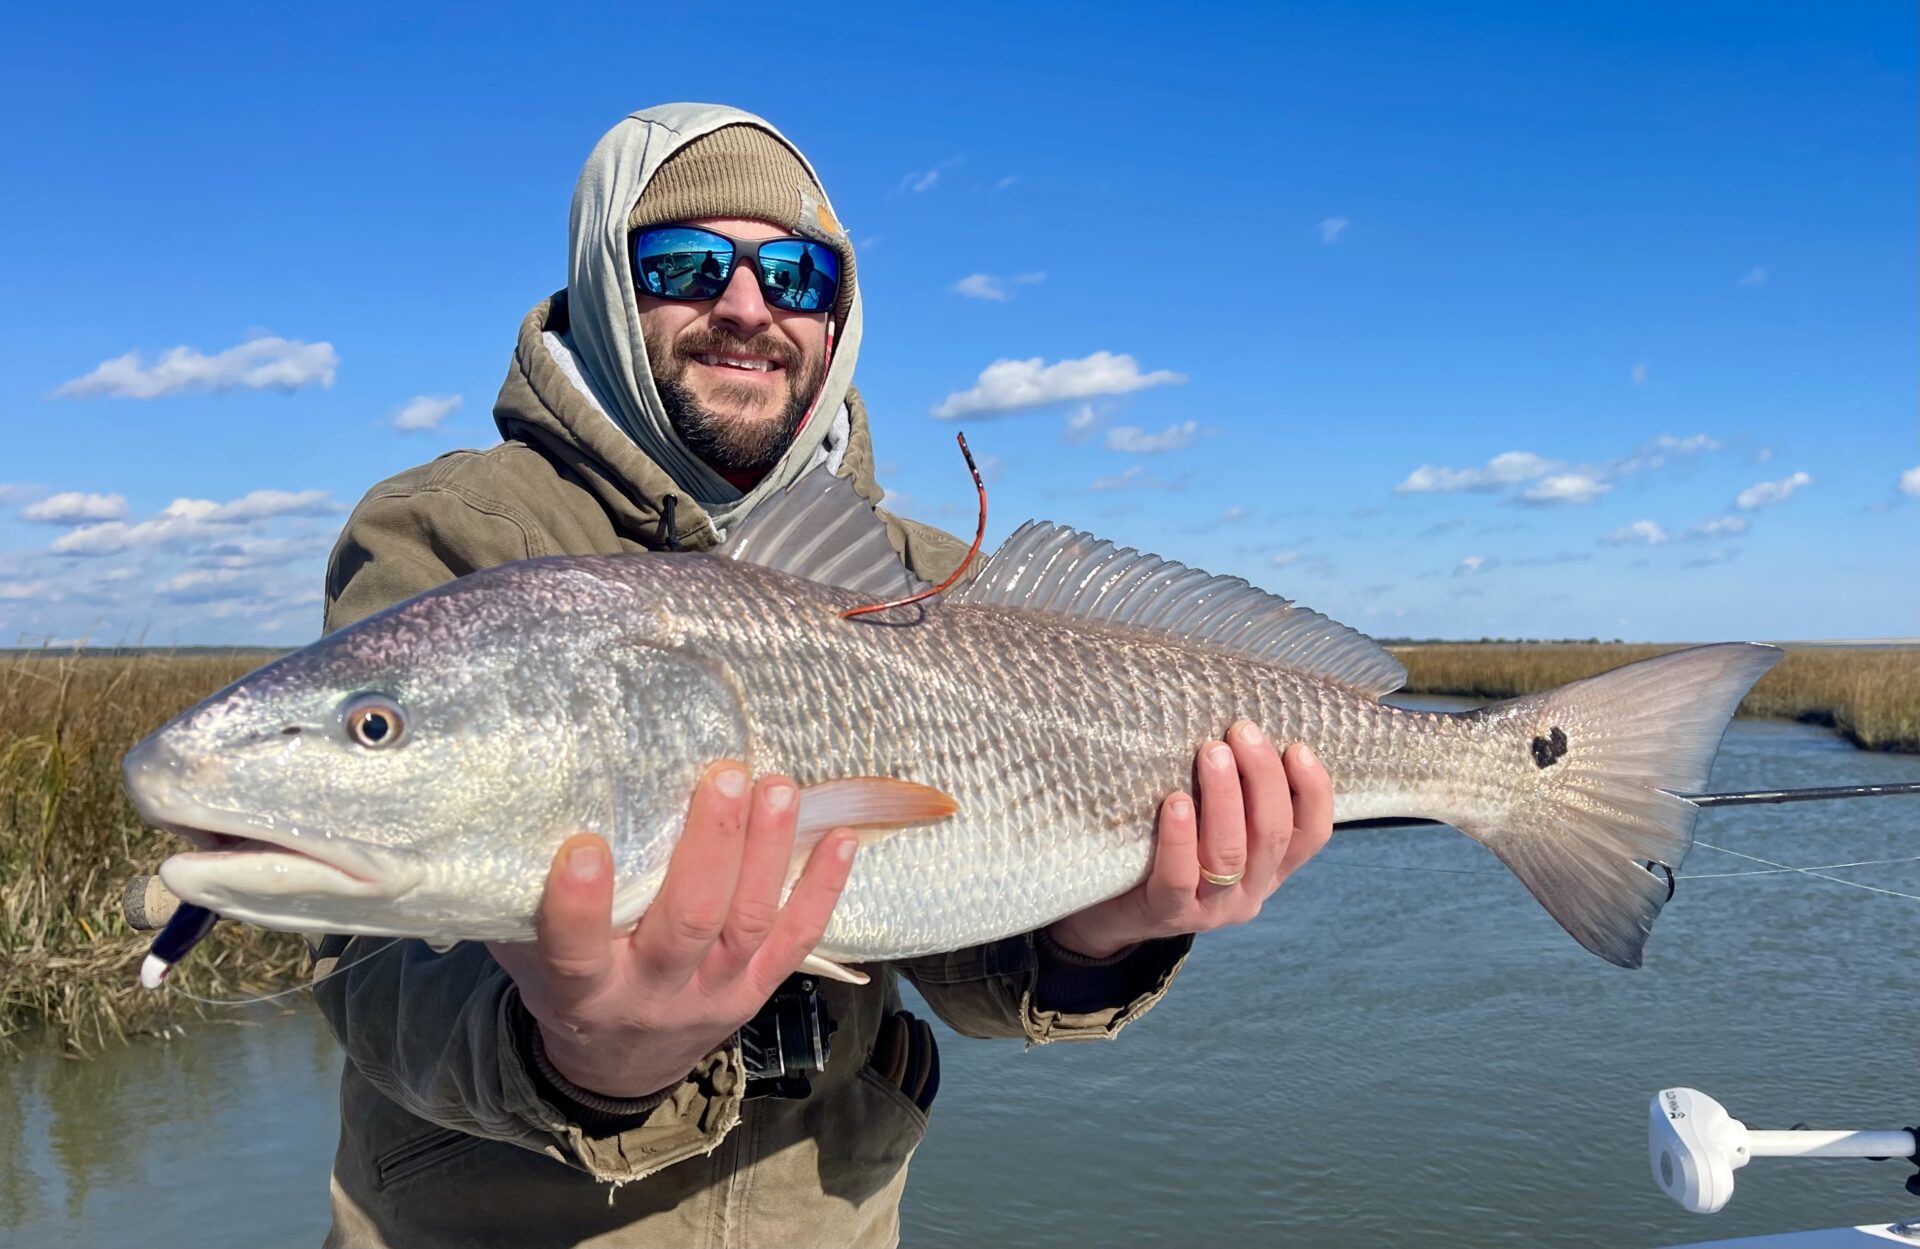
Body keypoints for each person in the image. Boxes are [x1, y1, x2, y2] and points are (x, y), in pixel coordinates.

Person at [315, 103, 1333, 1249]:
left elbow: (957, 944)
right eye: (685, 264)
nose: (746, 307)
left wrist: (1105, 935)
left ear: (838, 314)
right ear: (604, 281)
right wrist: (583, 1054)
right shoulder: (452, 534)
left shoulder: (939, 587)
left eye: (796, 275)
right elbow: (366, 957)